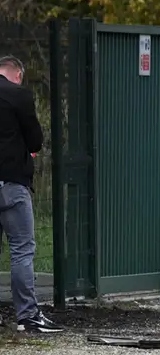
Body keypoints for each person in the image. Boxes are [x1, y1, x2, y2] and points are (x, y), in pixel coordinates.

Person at [0, 55, 62, 333]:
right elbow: (35, 140)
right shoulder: (18, 95)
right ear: (16, 74)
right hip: (12, 184)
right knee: (22, 250)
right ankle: (28, 315)